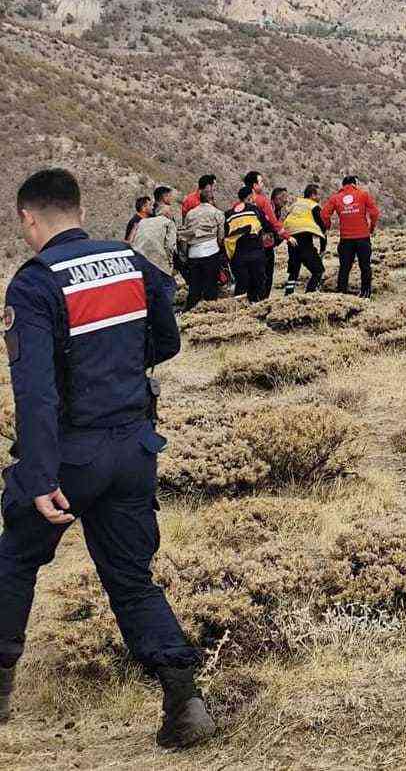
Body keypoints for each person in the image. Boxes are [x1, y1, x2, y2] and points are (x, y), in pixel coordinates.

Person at [0, 168, 214, 748]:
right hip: (134, 447)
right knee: (130, 578)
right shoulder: (127, 261)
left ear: (27, 217)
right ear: (79, 207)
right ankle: (182, 696)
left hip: (70, 455)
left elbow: (37, 394)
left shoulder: (34, 283)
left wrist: (40, 475)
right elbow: (166, 342)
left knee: (16, 557)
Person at [321, 175, 380, 296]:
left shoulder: (336, 198)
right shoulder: (363, 195)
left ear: (343, 185)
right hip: (363, 237)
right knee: (365, 266)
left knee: (344, 268)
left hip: (346, 239)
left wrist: (328, 226)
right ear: (355, 184)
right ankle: (366, 293)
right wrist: (371, 228)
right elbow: (375, 212)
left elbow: (324, 214)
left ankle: (342, 294)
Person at [242, 171, 293, 301]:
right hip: (264, 244)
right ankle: (263, 301)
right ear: (254, 185)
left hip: (244, 246)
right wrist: (287, 236)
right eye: (261, 182)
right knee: (266, 275)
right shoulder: (262, 201)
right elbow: (273, 223)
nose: (263, 185)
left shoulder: (240, 202)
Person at [179, 180, 224, 312]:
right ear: (211, 199)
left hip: (194, 254)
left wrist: (184, 254)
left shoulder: (190, 214)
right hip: (211, 252)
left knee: (195, 287)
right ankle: (209, 314)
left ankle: (190, 313)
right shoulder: (217, 213)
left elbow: (185, 235)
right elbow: (221, 237)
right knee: (211, 287)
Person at [223, 186, 272, 303]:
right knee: (258, 281)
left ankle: (239, 311)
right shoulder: (254, 209)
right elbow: (267, 226)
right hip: (255, 251)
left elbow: (224, 234)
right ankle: (255, 306)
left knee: (241, 284)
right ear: (250, 197)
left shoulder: (228, 214)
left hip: (237, 255)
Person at [129, 196, 178, 302]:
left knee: (148, 289)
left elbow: (132, 241)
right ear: (167, 214)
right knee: (169, 285)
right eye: (170, 211)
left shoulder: (142, 222)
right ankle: (165, 313)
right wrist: (170, 265)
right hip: (157, 261)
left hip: (139, 261)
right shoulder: (168, 223)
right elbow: (170, 246)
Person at [282, 184, 326, 295]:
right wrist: (322, 249)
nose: (319, 197)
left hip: (291, 239)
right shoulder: (313, 206)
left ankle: (288, 294)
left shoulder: (296, 204)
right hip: (304, 240)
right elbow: (323, 227)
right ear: (312, 195)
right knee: (318, 270)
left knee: (294, 271)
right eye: (318, 194)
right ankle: (310, 293)